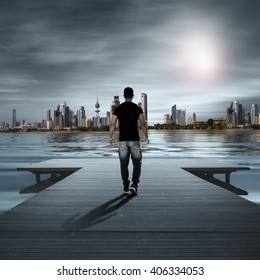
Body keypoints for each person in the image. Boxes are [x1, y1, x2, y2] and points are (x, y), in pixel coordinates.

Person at [109, 87, 149, 195]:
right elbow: (143, 123)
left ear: (123, 95)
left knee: (123, 164)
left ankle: (126, 185)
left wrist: (110, 137)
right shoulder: (137, 108)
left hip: (123, 141)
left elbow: (112, 124)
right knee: (137, 163)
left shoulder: (118, 109)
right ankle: (134, 185)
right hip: (135, 140)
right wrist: (146, 137)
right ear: (132, 96)